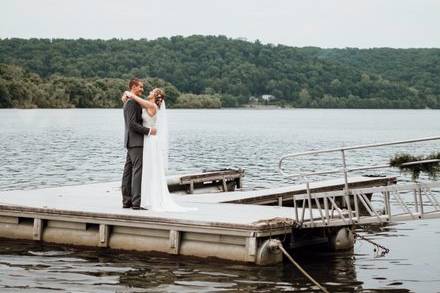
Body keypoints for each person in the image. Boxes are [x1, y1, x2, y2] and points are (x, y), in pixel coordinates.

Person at [122, 87, 195, 212]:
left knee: (149, 169)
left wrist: (130, 94)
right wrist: (126, 99)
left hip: (150, 140)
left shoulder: (152, 106)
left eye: (152, 92)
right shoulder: (148, 104)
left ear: (155, 96)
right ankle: (141, 198)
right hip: (145, 139)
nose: (149, 92)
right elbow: (136, 106)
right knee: (146, 169)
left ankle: (146, 199)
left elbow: (137, 100)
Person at [121, 78, 157, 210]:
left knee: (128, 172)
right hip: (136, 142)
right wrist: (148, 131)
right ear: (134, 87)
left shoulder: (131, 101)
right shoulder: (131, 103)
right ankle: (136, 202)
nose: (142, 89)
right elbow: (132, 124)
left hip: (131, 141)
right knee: (136, 172)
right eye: (140, 87)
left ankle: (127, 201)